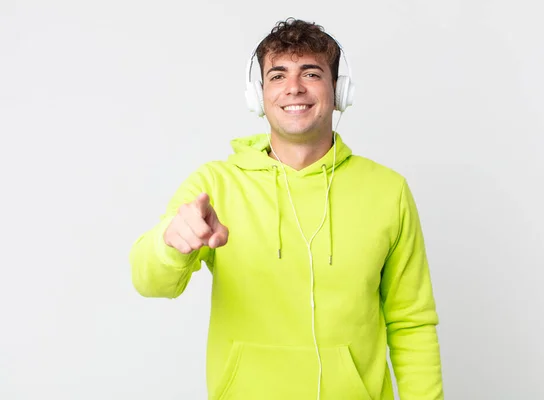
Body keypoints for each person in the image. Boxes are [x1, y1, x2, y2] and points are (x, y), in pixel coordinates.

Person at [129, 17, 444, 400]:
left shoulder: (387, 191)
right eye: (277, 75)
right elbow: (149, 281)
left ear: (339, 90)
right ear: (258, 95)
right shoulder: (216, 185)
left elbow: (411, 323)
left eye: (310, 73)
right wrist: (170, 244)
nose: (293, 87)